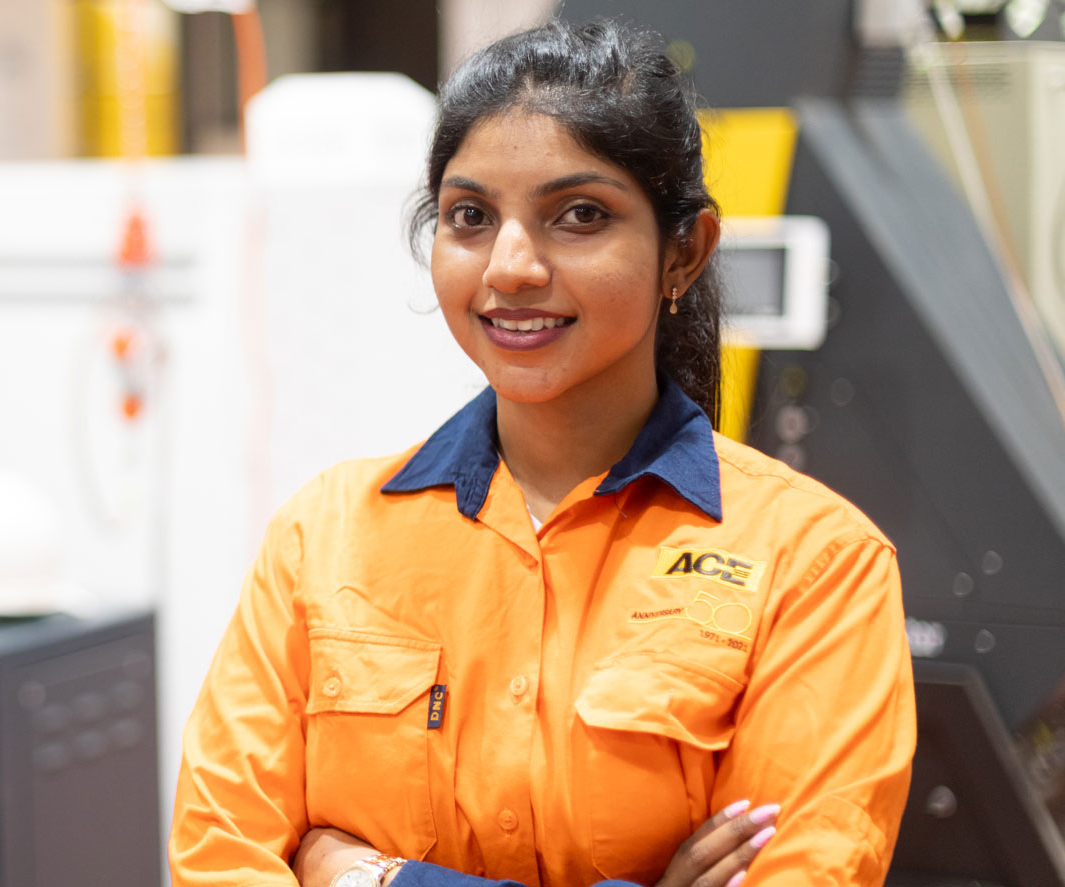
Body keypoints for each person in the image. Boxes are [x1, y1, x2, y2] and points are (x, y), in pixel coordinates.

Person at [168, 18, 915, 887]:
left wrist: (375, 877)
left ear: (684, 251)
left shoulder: (815, 566)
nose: (511, 266)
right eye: (471, 217)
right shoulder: (321, 538)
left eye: (580, 215)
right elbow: (216, 860)